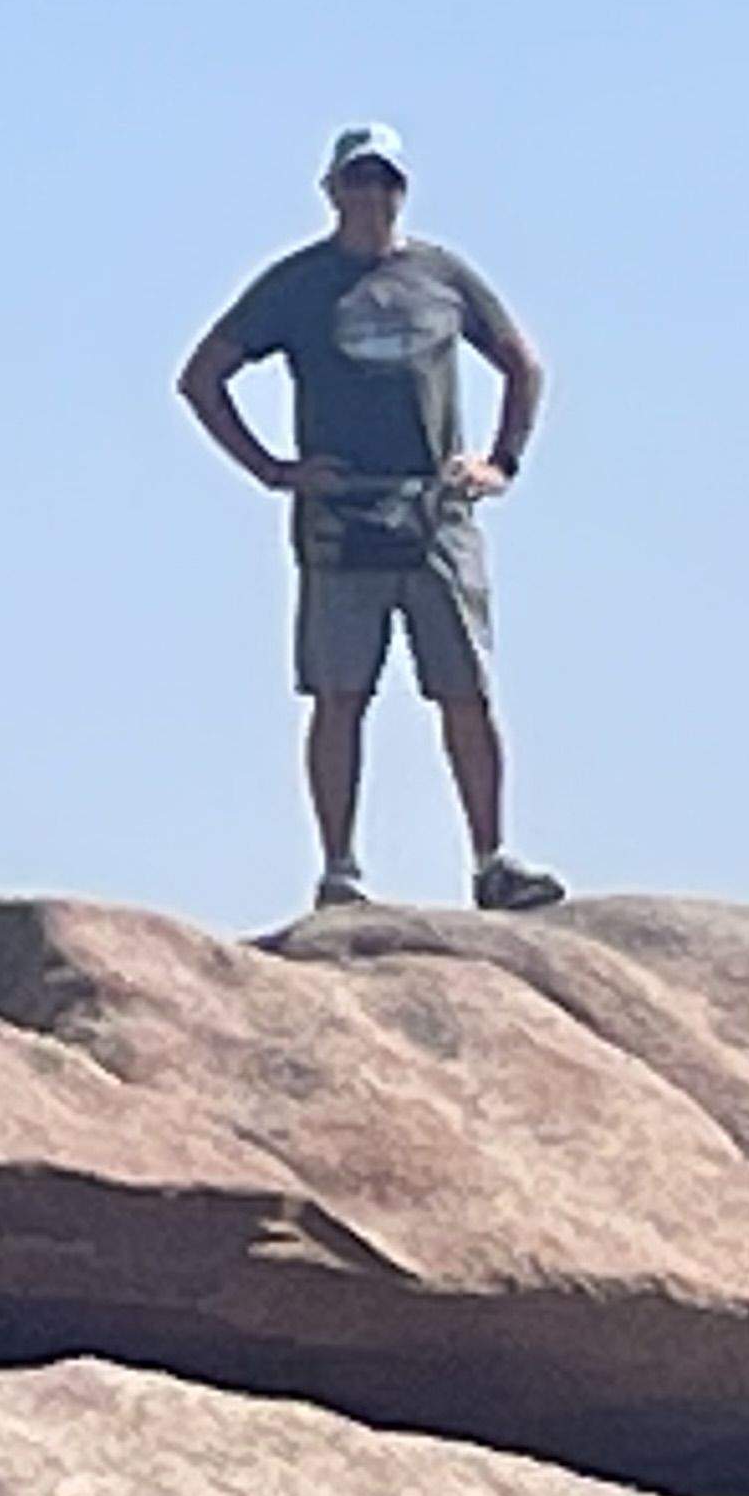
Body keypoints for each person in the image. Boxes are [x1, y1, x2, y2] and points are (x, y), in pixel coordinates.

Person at [173, 122, 567, 913]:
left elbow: (523, 364)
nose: (370, 195)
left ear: (402, 191)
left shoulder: (442, 276)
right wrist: (273, 470)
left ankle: (491, 860)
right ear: (331, 191)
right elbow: (202, 377)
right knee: (340, 693)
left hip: (434, 512)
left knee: (464, 691)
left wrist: (500, 462)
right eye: (357, 180)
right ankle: (340, 870)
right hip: (341, 515)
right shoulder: (296, 285)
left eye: (383, 180)